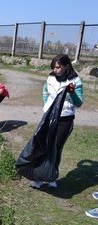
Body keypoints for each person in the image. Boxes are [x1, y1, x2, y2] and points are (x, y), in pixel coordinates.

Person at [29, 54, 83, 189]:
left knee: (56, 148)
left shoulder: (75, 81)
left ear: (66, 66)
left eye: (58, 67)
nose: (55, 70)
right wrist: (46, 105)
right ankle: (38, 178)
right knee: (44, 145)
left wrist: (72, 93)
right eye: (53, 67)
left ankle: (51, 176)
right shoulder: (51, 78)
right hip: (49, 117)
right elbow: (45, 90)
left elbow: (79, 103)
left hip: (65, 119)